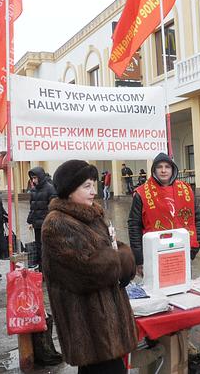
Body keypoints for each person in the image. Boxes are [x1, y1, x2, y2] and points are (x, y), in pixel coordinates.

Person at [41, 160, 137, 373]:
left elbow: (112, 246)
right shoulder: (57, 223)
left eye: (94, 185)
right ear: (68, 190)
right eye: (87, 186)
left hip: (107, 328)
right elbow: (88, 270)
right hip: (90, 330)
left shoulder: (92, 214)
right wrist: (122, 259)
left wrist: (122, 255)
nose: (94, 191)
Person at [128, 153, 200, 277]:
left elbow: (197, 220)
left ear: (172, 169)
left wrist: (194, 247)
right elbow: (134, 226)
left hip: (181, 251)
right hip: (154, 253)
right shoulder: (141, 194)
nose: (163, 170)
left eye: (167, 167)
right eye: (159, 167)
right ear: (154, 170)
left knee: (181, 289)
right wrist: (139, 259)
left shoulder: (186, 190)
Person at [26, 166, 57, 271]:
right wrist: (30, 220)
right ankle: (42, 269)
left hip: (47, 225)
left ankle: (49, 269)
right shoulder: (33, 190)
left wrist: (49, 222)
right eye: (32, 178)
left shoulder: (50, 189)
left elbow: (53, 208)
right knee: (39, 248)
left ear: (40, 176)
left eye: (35, 178)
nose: (34, 180)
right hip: (37, 225)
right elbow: (32, 207)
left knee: (48, 248)